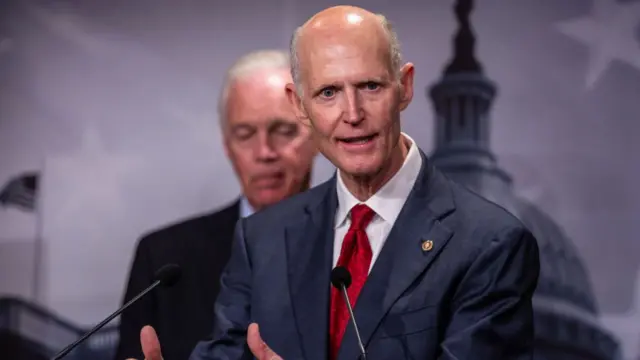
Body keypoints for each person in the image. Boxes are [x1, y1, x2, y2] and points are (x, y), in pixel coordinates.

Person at [130, 5, 540, 360]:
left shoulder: (491, 244)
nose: (352, 113)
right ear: (300, 106)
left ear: (405, 87)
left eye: (370, 86)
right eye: (328, 92)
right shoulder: (263, 238)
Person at [114, 49, 317, 360]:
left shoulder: (357, 244)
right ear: (227, 146)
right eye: (245, 134)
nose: (264, 152)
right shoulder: (164, 259)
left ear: (317, 136)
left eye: (284, 130)